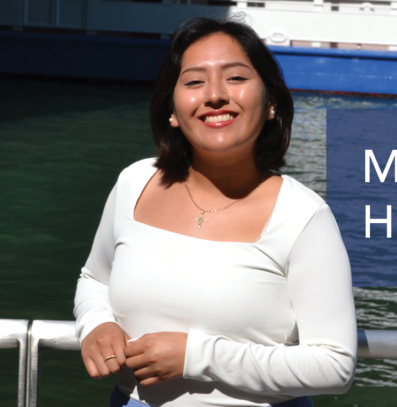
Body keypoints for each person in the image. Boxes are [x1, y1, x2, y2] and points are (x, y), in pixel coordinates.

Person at [72, 16, 357, 407]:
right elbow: (94, 280)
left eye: (236, 78)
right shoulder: (135, 182)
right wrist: (96, 323)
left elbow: (334, 364)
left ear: (271, 102)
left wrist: (197, 357)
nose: (215, 95)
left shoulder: (304, 215)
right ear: (172, 109)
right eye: (193, 81)